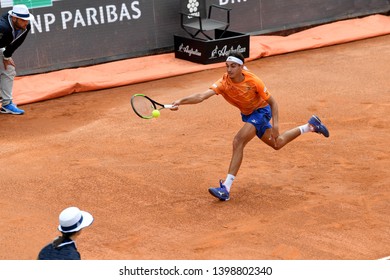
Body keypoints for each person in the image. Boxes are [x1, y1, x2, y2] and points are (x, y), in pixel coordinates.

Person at [171, 51, 329, 201]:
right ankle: (310, 126)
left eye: (233, 66)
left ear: (241, 67)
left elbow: (273, 103)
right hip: (249, 115)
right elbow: (201, 96)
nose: (229, 69)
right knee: (277, 143)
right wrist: (181, 101)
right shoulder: (224, 82)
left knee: (238, 141)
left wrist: (276, 125)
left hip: (261, 112)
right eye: (227, 65)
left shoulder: (253, 81)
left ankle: (225, 188)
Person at [0, 4, 34, 115]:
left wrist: (6, 56)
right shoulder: (2, 27)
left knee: (9, 69)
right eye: (23, 20)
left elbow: (16, 42)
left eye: (27, 20)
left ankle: (7, 104)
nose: (26, 22)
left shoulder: (25, 27)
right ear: (14, 18)